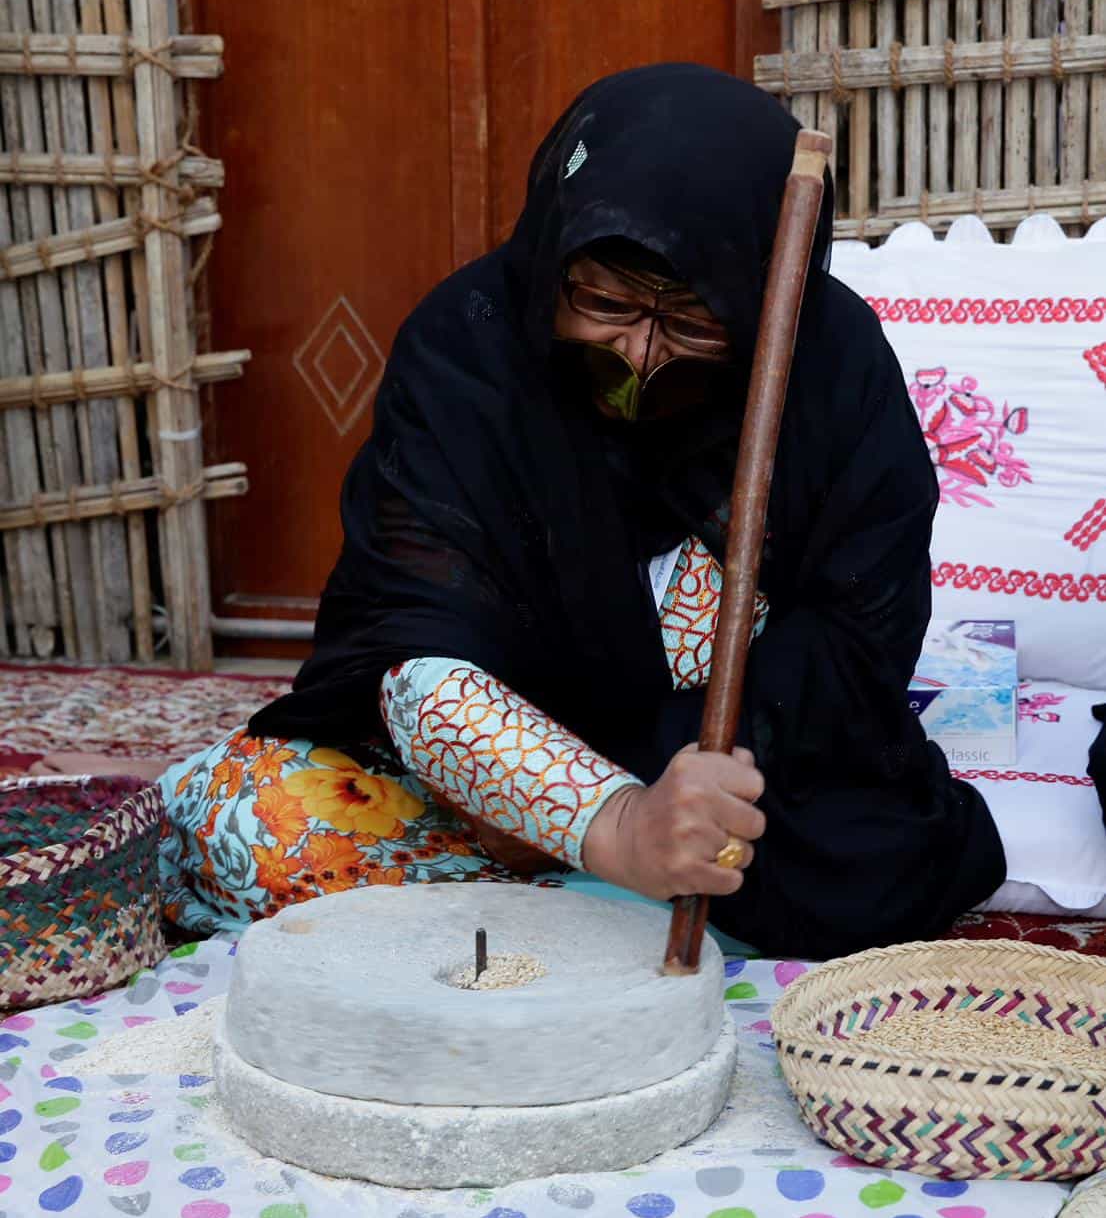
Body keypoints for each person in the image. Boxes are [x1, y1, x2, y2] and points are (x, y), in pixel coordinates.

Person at [160, 64, 1005, 958]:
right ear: (553, 258)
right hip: (498, 758)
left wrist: (671, 791)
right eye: (604, 303)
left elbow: (856, 641)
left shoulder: (832, 371)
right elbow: (410, 640)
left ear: (758, 310)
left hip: (730, 770)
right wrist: (604, 818)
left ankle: (569, 899)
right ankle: (595, 886)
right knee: (247, 816)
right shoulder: (469, 349)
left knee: (875, 857)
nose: (640, 358)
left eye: (694, 323)